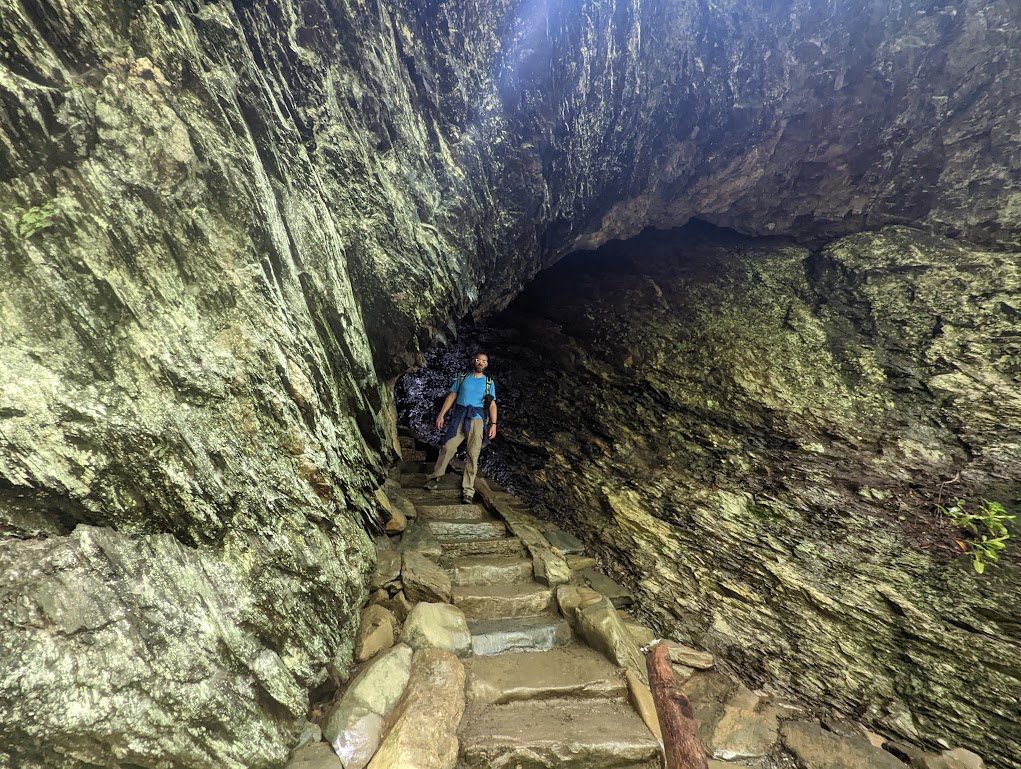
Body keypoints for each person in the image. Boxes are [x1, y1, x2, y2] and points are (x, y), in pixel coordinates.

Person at [423, 352, 498, 503]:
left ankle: (468, 490)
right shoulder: (463, 377)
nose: (480, 363)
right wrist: (441, 415)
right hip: (459, 416)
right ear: (474, 361)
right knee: (448, 447)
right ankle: (435, 478)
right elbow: (452, 396)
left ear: (486, 364)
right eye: (478, 360)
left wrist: (493, 425)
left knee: (473, 454)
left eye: (483, 361)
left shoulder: (489, 382)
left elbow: (492, 405)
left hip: (477, 420)